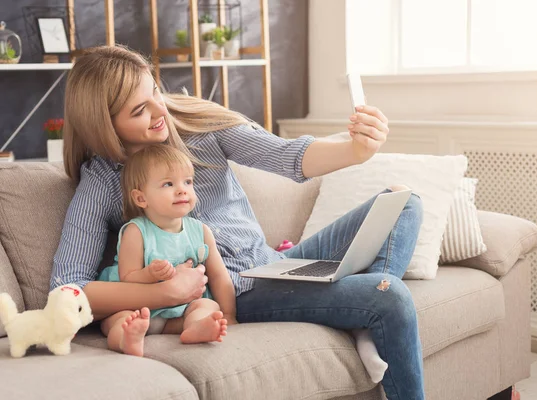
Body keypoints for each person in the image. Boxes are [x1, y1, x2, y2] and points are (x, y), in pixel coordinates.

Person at [51, 45, 425, 400]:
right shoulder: (102, 181)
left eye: (154, 92)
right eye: (138, 111)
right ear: (106, 126)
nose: (159, 110)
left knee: (404, 202)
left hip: (275, 265)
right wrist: (163, 294)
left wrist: (355, 151)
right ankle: (368, 312)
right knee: (387, 295)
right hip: (238, 292)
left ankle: (362, 322)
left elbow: (285, 155)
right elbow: (67, 288)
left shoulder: (197, 126)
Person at [97, 144, 231, 357]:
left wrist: (230, 315)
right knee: (116, 320)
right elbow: (127, 277)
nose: (182, 189)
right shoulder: (136, 231)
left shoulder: (201, 231)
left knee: (207, 305)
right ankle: (126, 338)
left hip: (179, 313)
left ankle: (195, 328)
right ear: (141, 198)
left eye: (188, 181)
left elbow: (219, 277)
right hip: (139, 309)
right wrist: (149, 274)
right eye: (168, 184)